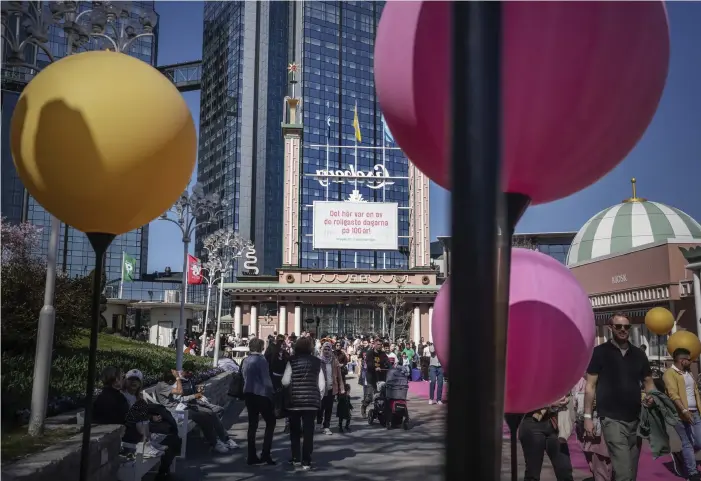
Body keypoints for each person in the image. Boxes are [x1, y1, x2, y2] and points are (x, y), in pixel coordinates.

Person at [584, 313, 656, 481]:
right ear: (611, 328)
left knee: (631, 471)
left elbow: (649, 382)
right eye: (618, 327)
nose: (623, 330)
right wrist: (587, 417)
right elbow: (590, 386)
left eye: (626, 327)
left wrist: (652, 396)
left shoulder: (639, 354)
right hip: (611, 419)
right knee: (624, 472)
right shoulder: (599, 353)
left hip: (636, 419)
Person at [154, 364, 237, 454]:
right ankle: (215, 442)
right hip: (177, 412)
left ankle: (221, 440)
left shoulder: (166, 384)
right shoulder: (162, 385)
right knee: (206, 416)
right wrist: (178, 379)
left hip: (182, 407)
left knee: (210, 413)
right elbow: (180, 392)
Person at [281, 336, 326, 470]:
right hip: (311, 403)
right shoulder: (317, 362)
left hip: (295, 401)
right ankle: (306, 460)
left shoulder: (291, 361)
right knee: (308, 432)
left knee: (294, 431)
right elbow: (322, 384)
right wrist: (318, 398)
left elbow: (285, 381)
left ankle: (295, 458)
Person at [663, 347, 701, 481]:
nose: (691, 362)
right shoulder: (669, 374)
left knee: (699, 441)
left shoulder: (688, 373)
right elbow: (673, 394)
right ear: (681, 360)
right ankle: (692, 473)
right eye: (689, 360)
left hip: (695, 412)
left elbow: (694, 392)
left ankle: (681, 455)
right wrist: (684, 411)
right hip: (679, 414)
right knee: (687, 442)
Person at [519, 397, 575, 481]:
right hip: (533, 422)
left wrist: (567, 398)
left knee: (565, 471)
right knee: (532, 475)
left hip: (555, 423)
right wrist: (550, 403)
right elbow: (523, 399)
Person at [242, 338, 276, 465]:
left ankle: (251, 455)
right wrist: (272, 393)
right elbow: (266, 379)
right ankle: (265, 453)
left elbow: (244, 376)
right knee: (271, 422)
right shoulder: (261, 360)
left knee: (252, 425)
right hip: (261, 394)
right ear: (260, 347)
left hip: (248, 394)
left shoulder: (246, 360)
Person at [573, 375, 612, 481]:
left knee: (602, 463)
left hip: (600, 427)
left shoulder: (602, 381)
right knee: (596, 463)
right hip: (588, 427)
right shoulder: (580, 383)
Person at [318, 342, 344, 434]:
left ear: (331, 350)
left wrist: (341, 387)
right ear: (322, 350)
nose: (326, 351)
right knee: (320, 407)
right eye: (325, 349)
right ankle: (319, 421)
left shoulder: (334, 360)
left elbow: (339, 375)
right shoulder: (318, 360)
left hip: (331, 388)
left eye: (328, 349)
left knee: (329, 408)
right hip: (320, 389)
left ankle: (326, 426)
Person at [362, 338, 390, 417]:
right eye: (378, 344)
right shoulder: (369, 353)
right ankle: (364, 406)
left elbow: (387, 361)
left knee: (381, 395)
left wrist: (392, 367)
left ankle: (378, 411)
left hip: (380, 377)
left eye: (381, 345)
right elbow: (369, 363)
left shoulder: (383, 353)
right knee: (370, 397)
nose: (379, 346)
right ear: (374, 344)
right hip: (371, 377)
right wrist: (375, 367)